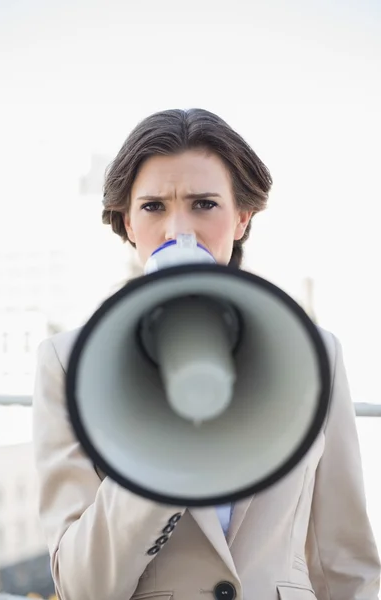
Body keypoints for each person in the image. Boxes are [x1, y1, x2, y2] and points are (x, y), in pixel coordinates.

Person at [32, 108, 380, 600]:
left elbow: (347, 566)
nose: (179, 230)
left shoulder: (315, 354)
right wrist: (158, 451)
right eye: (153, 207)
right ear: (127, 222)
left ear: (242, 217)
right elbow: (84, 588)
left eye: (204, 204)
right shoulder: (68, 363)